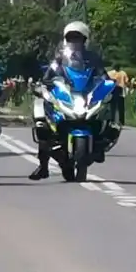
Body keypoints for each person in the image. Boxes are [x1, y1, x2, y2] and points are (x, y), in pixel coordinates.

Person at [29, 21, 107, 180]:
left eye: (78, 39)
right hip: (65, 96)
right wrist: (45, 84)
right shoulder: (59, 59)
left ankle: (101, 145)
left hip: (85, 95)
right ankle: (43, 166)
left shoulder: (93, 59)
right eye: (72, 38)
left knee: (105, 111)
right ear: (66, 40)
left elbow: (102, 74)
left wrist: (107, 82)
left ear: (85, 40)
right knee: (42, 123)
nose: (75, 42)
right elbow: (48, 76)